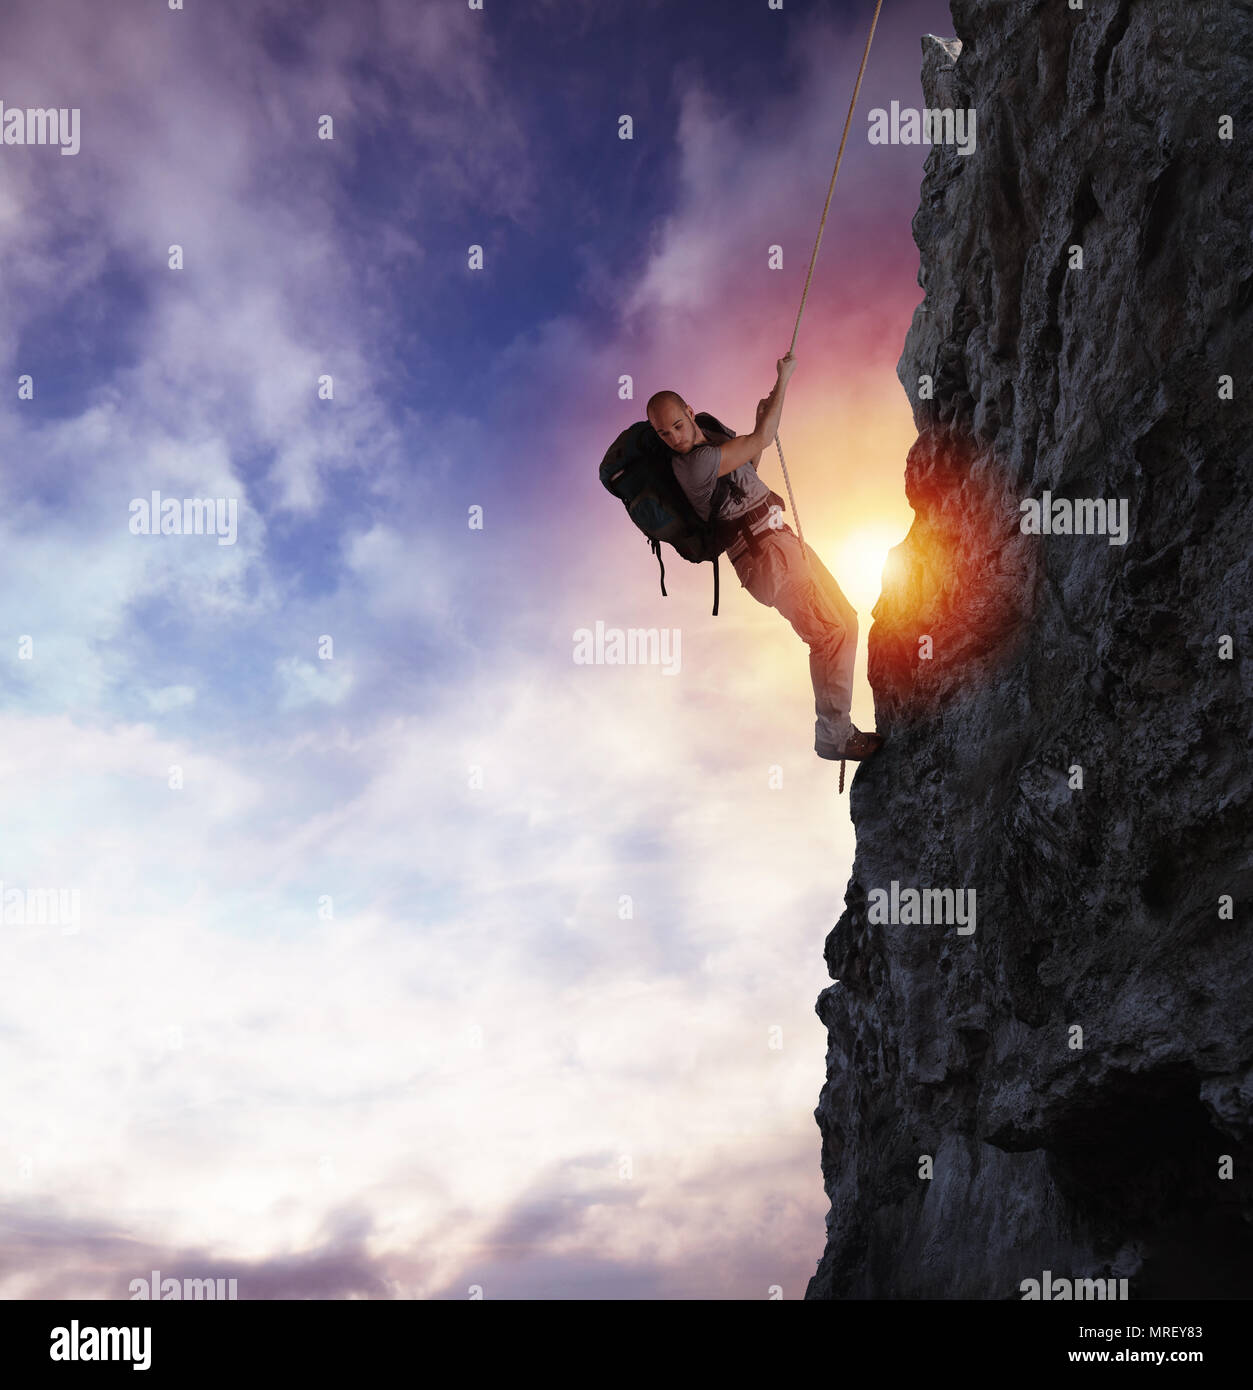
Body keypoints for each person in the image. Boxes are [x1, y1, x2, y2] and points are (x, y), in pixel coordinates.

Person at [645, 352, 883, 765]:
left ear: (690, 412)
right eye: (663, 434)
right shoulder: (692, 466)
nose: (674, 438)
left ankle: (835, 729)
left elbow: (750, 464)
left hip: (779, 541)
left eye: (678, 426)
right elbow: (761, 440)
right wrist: (784, 380)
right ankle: (834, 735)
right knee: (828, 634)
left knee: (844, 619)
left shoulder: (714, 443)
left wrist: (762, 419)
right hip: (765, 556)